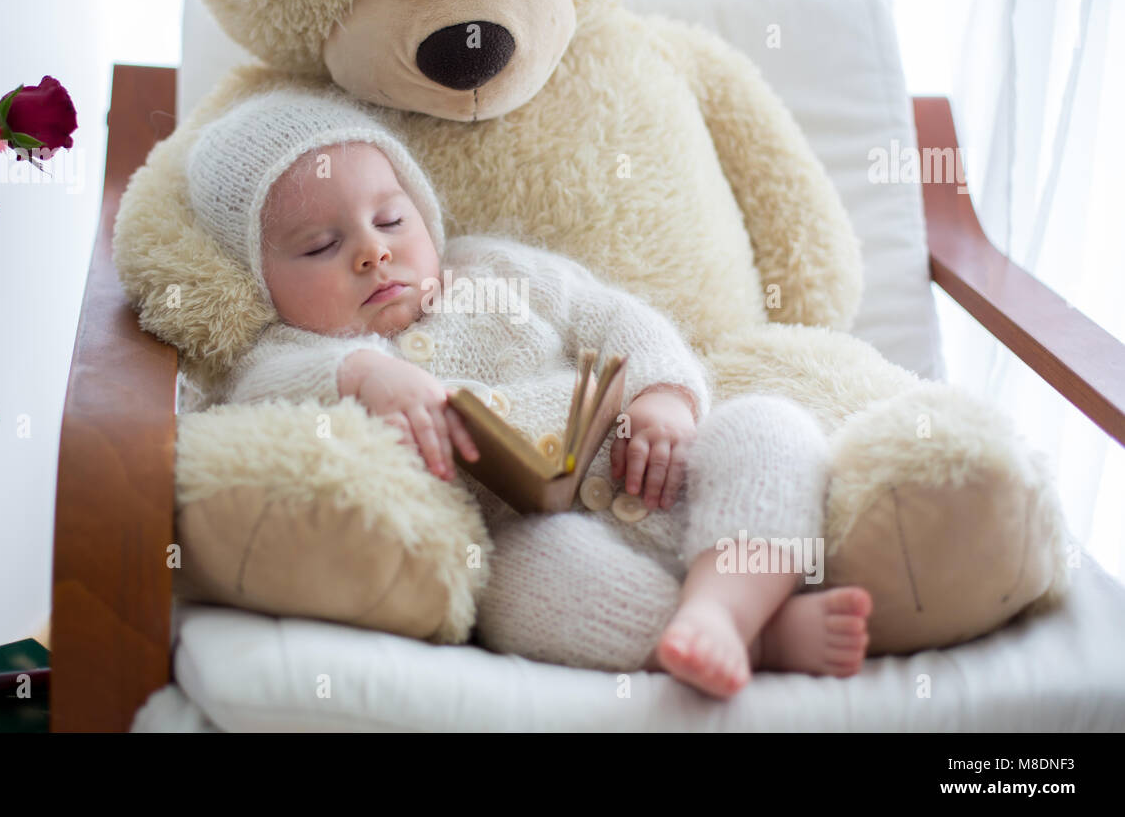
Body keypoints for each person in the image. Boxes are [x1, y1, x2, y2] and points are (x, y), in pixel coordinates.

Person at [186, 87, 873, 697]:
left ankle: (730, 601)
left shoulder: (493, 269)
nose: (372, 253)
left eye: (392, 221)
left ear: (425, 217)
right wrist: (364, 375)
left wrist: (661, 397)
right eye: (319, 247)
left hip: (653, 465)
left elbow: (612, 316)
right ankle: (754, 637)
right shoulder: (301, 353)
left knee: (768, 426)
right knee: (521, 589)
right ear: (261, 280)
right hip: (530, 533)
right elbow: (256, 396)